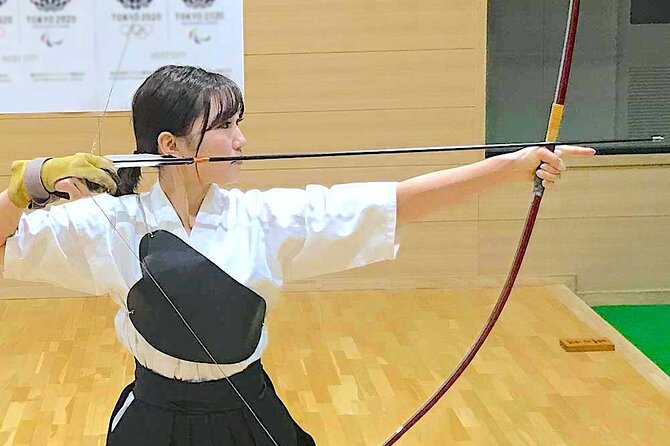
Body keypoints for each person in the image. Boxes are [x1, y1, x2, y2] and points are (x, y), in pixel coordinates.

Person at [0, 65, 595, 445]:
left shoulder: (264, 219)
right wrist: (26, 184)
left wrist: (510, 167)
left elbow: (395, 203)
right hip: (156, 418)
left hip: (248, 412)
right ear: (170, 144)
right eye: (225, 126)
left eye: (240, 124)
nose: (241, 140)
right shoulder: (110, 226)